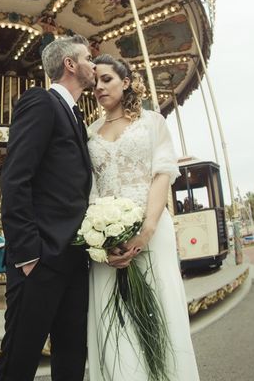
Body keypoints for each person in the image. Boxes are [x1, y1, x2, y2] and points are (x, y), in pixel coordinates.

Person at [87, 54, 200, 380]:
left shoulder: (152, 122)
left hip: (150, 227)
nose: (99, 87)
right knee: (115, 322)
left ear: (125, 82)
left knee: (161, 310)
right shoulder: (90, 132)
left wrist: (146, 231)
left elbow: (162, 174)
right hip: (108, 239)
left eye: (106, 79)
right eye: (95, 81)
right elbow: (91, 189)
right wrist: (100, 241)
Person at [0, 35, 96, 381]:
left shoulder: (76, 117)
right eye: (89, 58)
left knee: (71, 356)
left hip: (74, 258)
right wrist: (28, 256)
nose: (94, 65)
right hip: (40, 260)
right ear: (70, 64)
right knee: (20, 360)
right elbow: (14, 178)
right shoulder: (41, 102)